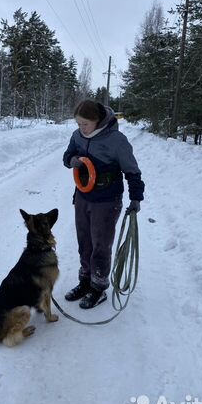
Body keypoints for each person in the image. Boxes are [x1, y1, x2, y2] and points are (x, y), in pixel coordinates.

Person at [63, 99, 145, 309]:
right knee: (84, 242)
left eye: (85, 124)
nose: (81, 128)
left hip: (107, 201)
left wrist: (136, 198)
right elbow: (67, 156)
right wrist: (72, 160)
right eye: (79, 124)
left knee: (100, 244)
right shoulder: (77, 136)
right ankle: (85, 281)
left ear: (97, 121)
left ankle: (98, 287)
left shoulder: (116, 140)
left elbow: (132, 171)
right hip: (82, 196)